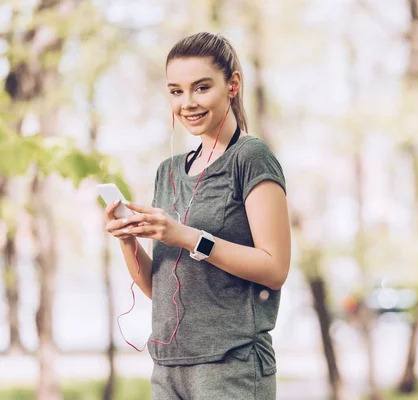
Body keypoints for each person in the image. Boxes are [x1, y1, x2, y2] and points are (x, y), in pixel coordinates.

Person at [103, 31, 291, 400]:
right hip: (168, 368)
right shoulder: (168, 172)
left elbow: (275, 268)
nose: (187, 102)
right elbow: (159, 289)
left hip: (230, 367)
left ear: (232, 85)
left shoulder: (250, 158)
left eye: (201, 88)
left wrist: (187, 236)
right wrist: (127, 238)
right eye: (176, 91)